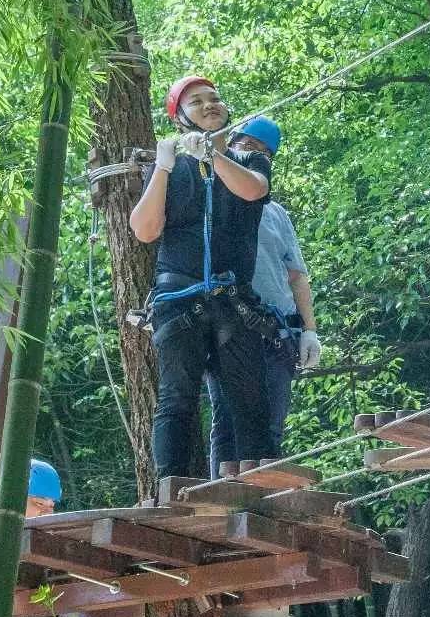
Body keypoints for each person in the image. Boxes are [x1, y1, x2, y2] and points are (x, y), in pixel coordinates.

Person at [129, 75, 276, 480]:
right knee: (176, 398)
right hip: (179, 296)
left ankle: (255, 483)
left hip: (233, 298)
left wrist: (215, 158)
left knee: (249, 398)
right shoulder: (171, 170)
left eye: (215, 99)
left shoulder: (250, 160)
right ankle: (169, 486)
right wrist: (162, 168)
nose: (210, 105)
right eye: (197, 103)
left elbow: (253, 191)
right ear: (180, 119)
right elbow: (144, 229)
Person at [204, 116, 322, 477]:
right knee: (227, 420)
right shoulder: (208, 203)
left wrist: (310, 330)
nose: (253, 153)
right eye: (246, 144)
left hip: (275, 329)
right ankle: (223, 495)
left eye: (262, 151)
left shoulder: (276, 214)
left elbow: (297, 276)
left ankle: (262, 495)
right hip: (227, 325)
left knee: (271, 422)